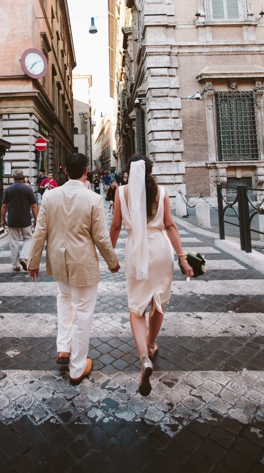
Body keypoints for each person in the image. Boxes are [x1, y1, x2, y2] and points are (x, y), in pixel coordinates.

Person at [27, 153, 121, 384]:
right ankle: (78, 368)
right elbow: (100, 236)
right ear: (85, 172)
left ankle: (63, 348)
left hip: (59, 261)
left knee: (64, 299)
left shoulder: (50, 196)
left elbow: (40, 231)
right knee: (82, 312)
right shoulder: (92, 199)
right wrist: (112, 261)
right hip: (83, 263)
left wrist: (33, 261)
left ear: (65, 171)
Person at [110, 155, 194, 396]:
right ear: (150, 170)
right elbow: (170, 225)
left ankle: (144, 357)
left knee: (137, 309)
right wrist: (183, 257)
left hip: (136, 250)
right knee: (159, 302)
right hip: (160, 250)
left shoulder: (121, 192)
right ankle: (151, 343)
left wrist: (109, 256)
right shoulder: (162, 191)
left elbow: (115, 226)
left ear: (128, 171)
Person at [0, 170, 39, 272]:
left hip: (12, 219)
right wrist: (36, 219)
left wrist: (2, 219)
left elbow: (4, 206)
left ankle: (15, 265)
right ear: (23, 177)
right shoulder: (28, 189)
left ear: (13, 177)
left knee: (14, 242)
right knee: (28, 238)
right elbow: (34, 206)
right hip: (25, 218)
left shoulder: (8, 189)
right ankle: (24, 257)